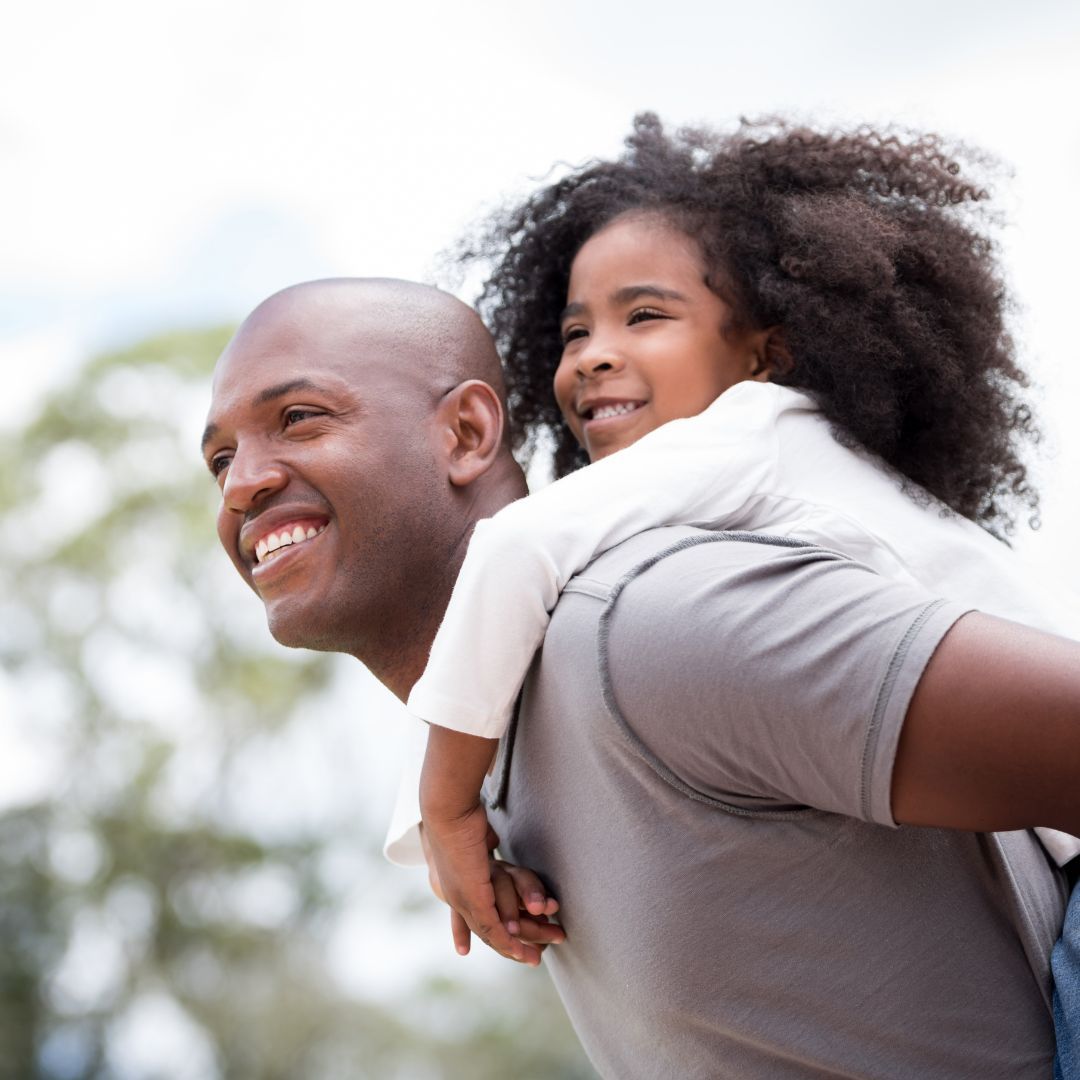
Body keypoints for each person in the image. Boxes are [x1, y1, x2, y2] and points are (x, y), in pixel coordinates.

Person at [204, 276, 1079, 1077]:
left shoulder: (648, 626)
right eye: (217, 461)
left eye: (300, 419)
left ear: (466, 433)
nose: (242, 485)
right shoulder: (487, 765)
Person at [397, 117, 1080, 971]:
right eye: (575, 334)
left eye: (644, 316)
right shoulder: (743, 493)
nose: (594, 358)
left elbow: (514, 549)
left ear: (764, 357)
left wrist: (446, 811)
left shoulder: (752, 428)